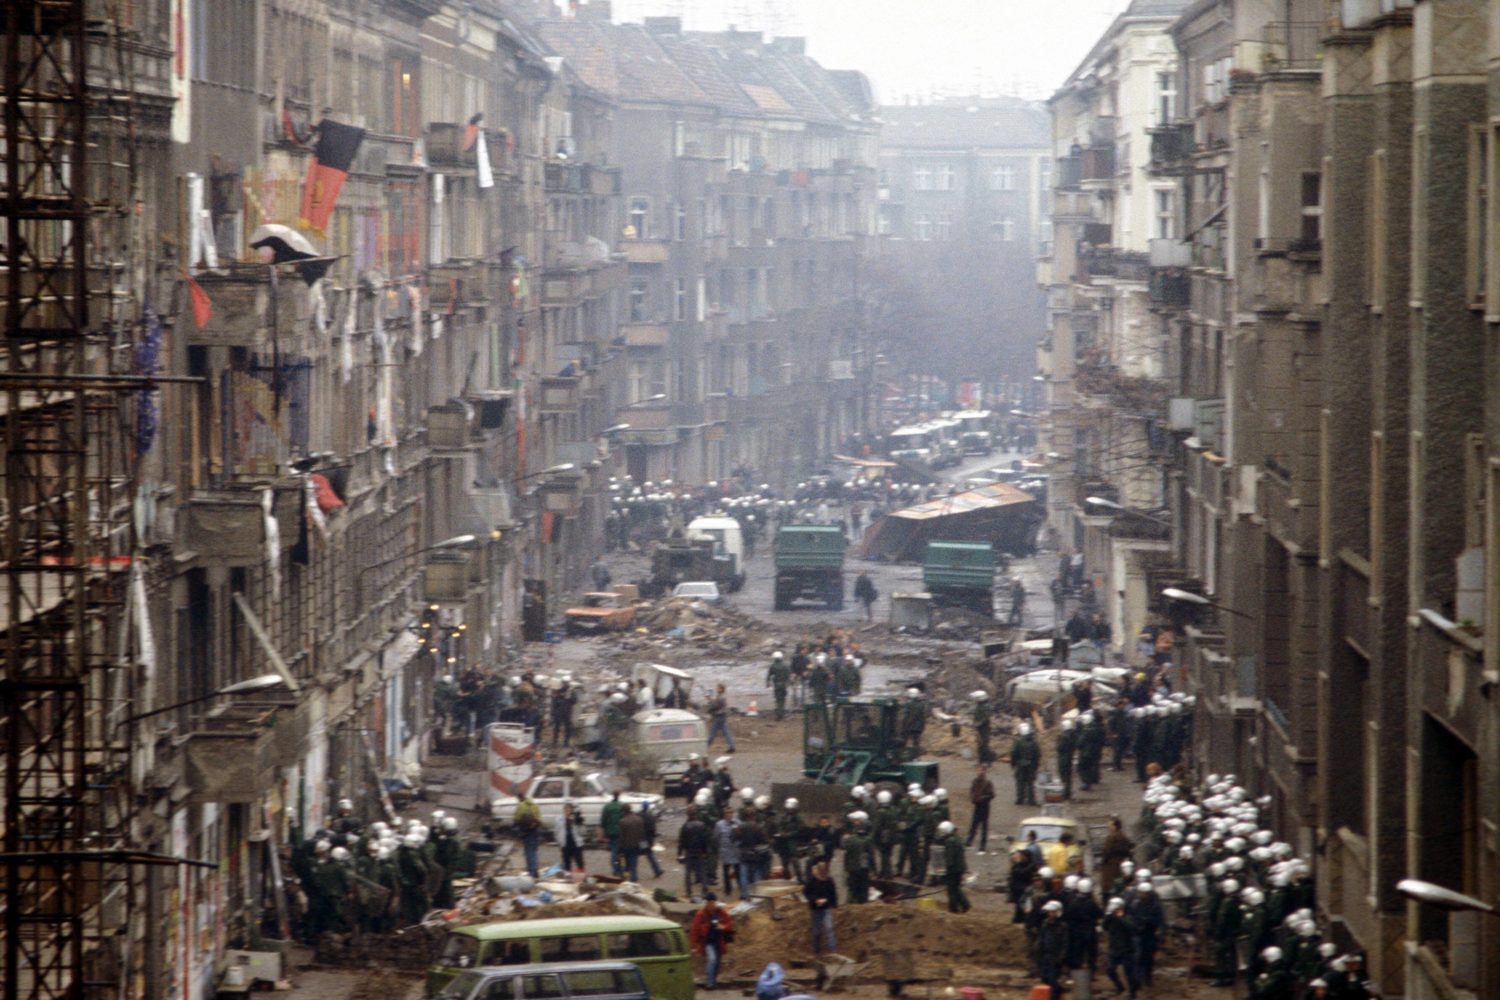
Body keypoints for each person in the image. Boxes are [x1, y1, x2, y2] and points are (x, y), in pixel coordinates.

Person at [689, 893, 734, 990]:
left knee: (717, 962)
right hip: (708, 942)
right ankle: (709, 983)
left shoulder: (721, 912)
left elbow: (729, 923)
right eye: (710, 903)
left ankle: (713, 981)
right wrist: (694, 944)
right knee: (712, 959)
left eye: (713, 902)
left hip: (719, 941)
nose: (711, 905)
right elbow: (695, 929)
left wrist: (723, 927)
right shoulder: (701, 914)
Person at [1103, 896, 1138, 998]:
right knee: (1110, 970)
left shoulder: (1127, 916)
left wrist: (1121, 917)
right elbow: (1104, 926)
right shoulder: (1111, 917)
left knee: (1129, 973)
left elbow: (1132, 928)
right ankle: (1119, 987)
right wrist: (1108, 915)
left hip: (1126, 949)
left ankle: (1132, 992)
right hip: (1114, 949)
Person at [1034, 899, 1070, 1000]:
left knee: (1053, 981)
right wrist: (1038, 952)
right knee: (1045, 978)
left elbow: (1065, 943)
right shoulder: (1045, 924)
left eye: (1052, 912)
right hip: (1045, 955)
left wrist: (1061, 957)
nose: (1050, 914)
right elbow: (1041, 939)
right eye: (1049, 912)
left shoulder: (1062, 926)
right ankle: (1059, 990)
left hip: (1055, 957)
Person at [803, 860, 839, 955]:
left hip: (826, 908)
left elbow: (833, 893)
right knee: (816, 931)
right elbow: (806, 892)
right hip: (815, 909)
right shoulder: (812, 880)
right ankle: (816, 950)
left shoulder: (829, 880)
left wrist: (833, 903)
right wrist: (815, 900)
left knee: (829, 928)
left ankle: (833, 951)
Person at [678, 809, 712, 900]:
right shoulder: (702, 825)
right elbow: (705, 839)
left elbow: (681, 841)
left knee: (688, 873)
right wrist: (705, 851)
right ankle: (704, 890)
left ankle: (689, 892)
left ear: (688, 815)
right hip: (699, 851)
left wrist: (680, 853)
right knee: (702, 871)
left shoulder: (685, 826)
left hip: (689, 852)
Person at [938, 821, 971, 913]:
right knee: (956, 888)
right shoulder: (957, 839)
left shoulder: (949, 841)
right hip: (960, 868)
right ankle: (965, 904)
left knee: (951, 889)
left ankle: (954, 908)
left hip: (953, 869)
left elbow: (950, 858)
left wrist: (946, 870)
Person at [842, 811, 873, 903]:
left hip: (853, 867)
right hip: (863, 868)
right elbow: (870, 856)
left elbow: (846, 853)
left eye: (856, 821)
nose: (854, 822)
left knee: (852, 889)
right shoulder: (868, 839)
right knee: (863, 889)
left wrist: (846, 867)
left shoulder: (851, 838)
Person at [967, 764, 996, 854]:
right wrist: (973, 798)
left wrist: (983, 798)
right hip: (977, 805)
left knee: (984, 826)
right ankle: (969, 841)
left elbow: (992, 795)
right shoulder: (975, 781)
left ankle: (983, 845)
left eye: (982, 770)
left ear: (985, 772)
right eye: (978, 770)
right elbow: (972, 791)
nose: (980, 772)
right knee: (974, 824)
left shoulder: (987, 783)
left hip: (984, 806)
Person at [513, 791, 542, 878]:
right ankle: (535, 870)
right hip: (535, 830)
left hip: (526, 831)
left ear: (519, 798)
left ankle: (531, 872)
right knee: (534, 850)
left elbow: (516, 818)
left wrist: (515, 826)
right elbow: (539, 819)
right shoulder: (535, 805)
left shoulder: (521, 805)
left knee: (528, 851)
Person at [1010, 722, 1040, 806]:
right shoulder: (1034, 742)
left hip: (1020, 765)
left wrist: (1013, 764)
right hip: (1031, 765)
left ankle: (1020, 799)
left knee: (1020, 782)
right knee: (1030, 782)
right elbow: (1037, 754)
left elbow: (1013, 753)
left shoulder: (1018, 742)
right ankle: (1031, 800)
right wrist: (1036, 766)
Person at [617, 803, 648, 881]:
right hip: (637, 845)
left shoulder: (622, 821)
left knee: (626, 863)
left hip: (626, 846)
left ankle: (628, 877)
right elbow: (642, 834)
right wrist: (644, 846)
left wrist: (619, 848)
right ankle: (633, 877)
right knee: (634, 863)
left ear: (623, 811)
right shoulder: (639, 819)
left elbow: (621, 837)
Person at [706, 683, 736, 752]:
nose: (717, 689)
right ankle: (732, 746)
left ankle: (705, 748)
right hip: (722, 716)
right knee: (726, 732)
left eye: (718, 688)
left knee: (712, 733)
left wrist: (709, 702)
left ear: (721, 689)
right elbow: (716, 702)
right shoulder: (721, 696)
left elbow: (715, 705)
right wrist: (710, 700)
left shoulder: (721, 697)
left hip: (718, 717)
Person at [555, 802, 586, 871]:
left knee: (580, 861)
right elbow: (556, 832)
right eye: (566, 810)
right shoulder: (559, 819)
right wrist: (559, 841)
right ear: (563, 810)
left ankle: (581, 874)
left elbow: (583, 832)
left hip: (576, 844)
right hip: (565, 844)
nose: (567, 812)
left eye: (569, 810)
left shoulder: (575, 819)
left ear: (572, 810)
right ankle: (568, 876)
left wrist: (580, 823)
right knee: (566, 863)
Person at [600, 791, 625, 876]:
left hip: (610, 831)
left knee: (614, 850)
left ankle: (615, 868)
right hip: (620, 831)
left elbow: (603, 821)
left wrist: (604, 831)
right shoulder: (622, 806)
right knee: (619, 851)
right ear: (619, 795)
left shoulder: (607, 806)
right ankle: (619, 869)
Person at [1057, 718, 1078, 801]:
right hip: (1069, 757)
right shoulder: (1073, 736)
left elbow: (1059, 748)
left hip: (1063, 758)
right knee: (1068, 777)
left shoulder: (1063, 737)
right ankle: (1067, 793)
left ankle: (1064, 793)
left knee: (1063, 776)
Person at [766, 651, 791, 721]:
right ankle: (781, 714)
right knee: (783, 699)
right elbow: (789, 675)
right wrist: (789, 682)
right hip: (784, 685)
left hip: (776, 685)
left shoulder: (773, 666)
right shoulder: (786, 665)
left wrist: (767, 683)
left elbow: (769, 675)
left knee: (777, 699)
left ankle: (779, 714)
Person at [972, 690, 994, 764]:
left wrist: (978, 723)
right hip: (980, 728)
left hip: (984, 728)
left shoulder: (986, 706)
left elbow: (986, 717)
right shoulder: (979, 706)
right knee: (980, 744)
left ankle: (986, 760)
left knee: (984, 744)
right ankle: (981, 760)